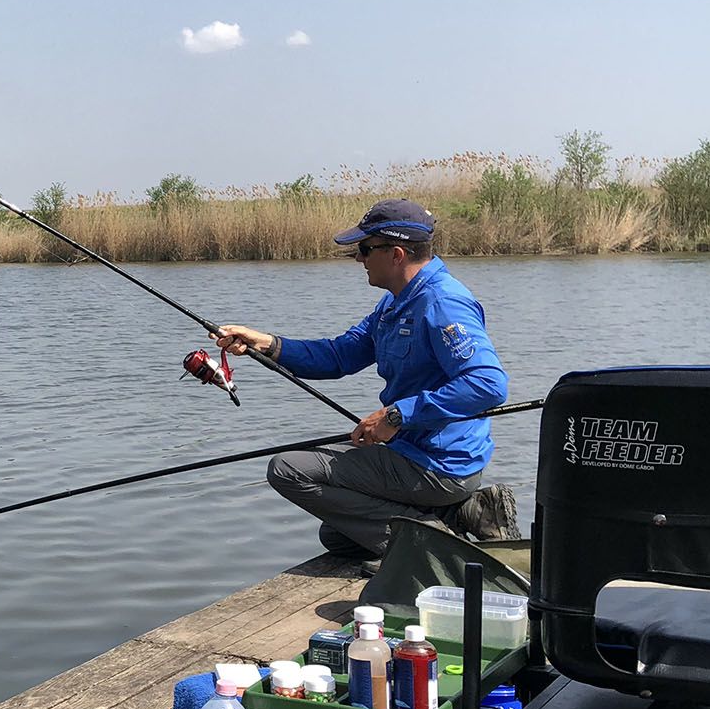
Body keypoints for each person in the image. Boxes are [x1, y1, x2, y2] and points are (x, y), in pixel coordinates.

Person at [215, 198, 517, 570]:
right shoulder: (395, 304)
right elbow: (338, 356)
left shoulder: (443, 302)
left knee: (287, 469)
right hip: (409, 454)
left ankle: (427, 548)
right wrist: (266, 343)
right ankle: (464, 513)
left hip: (439, 465)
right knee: (338, 535)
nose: (358, 258)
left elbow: (487, 384)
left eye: (364, 249)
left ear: (396, 254)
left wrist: (395, 416)